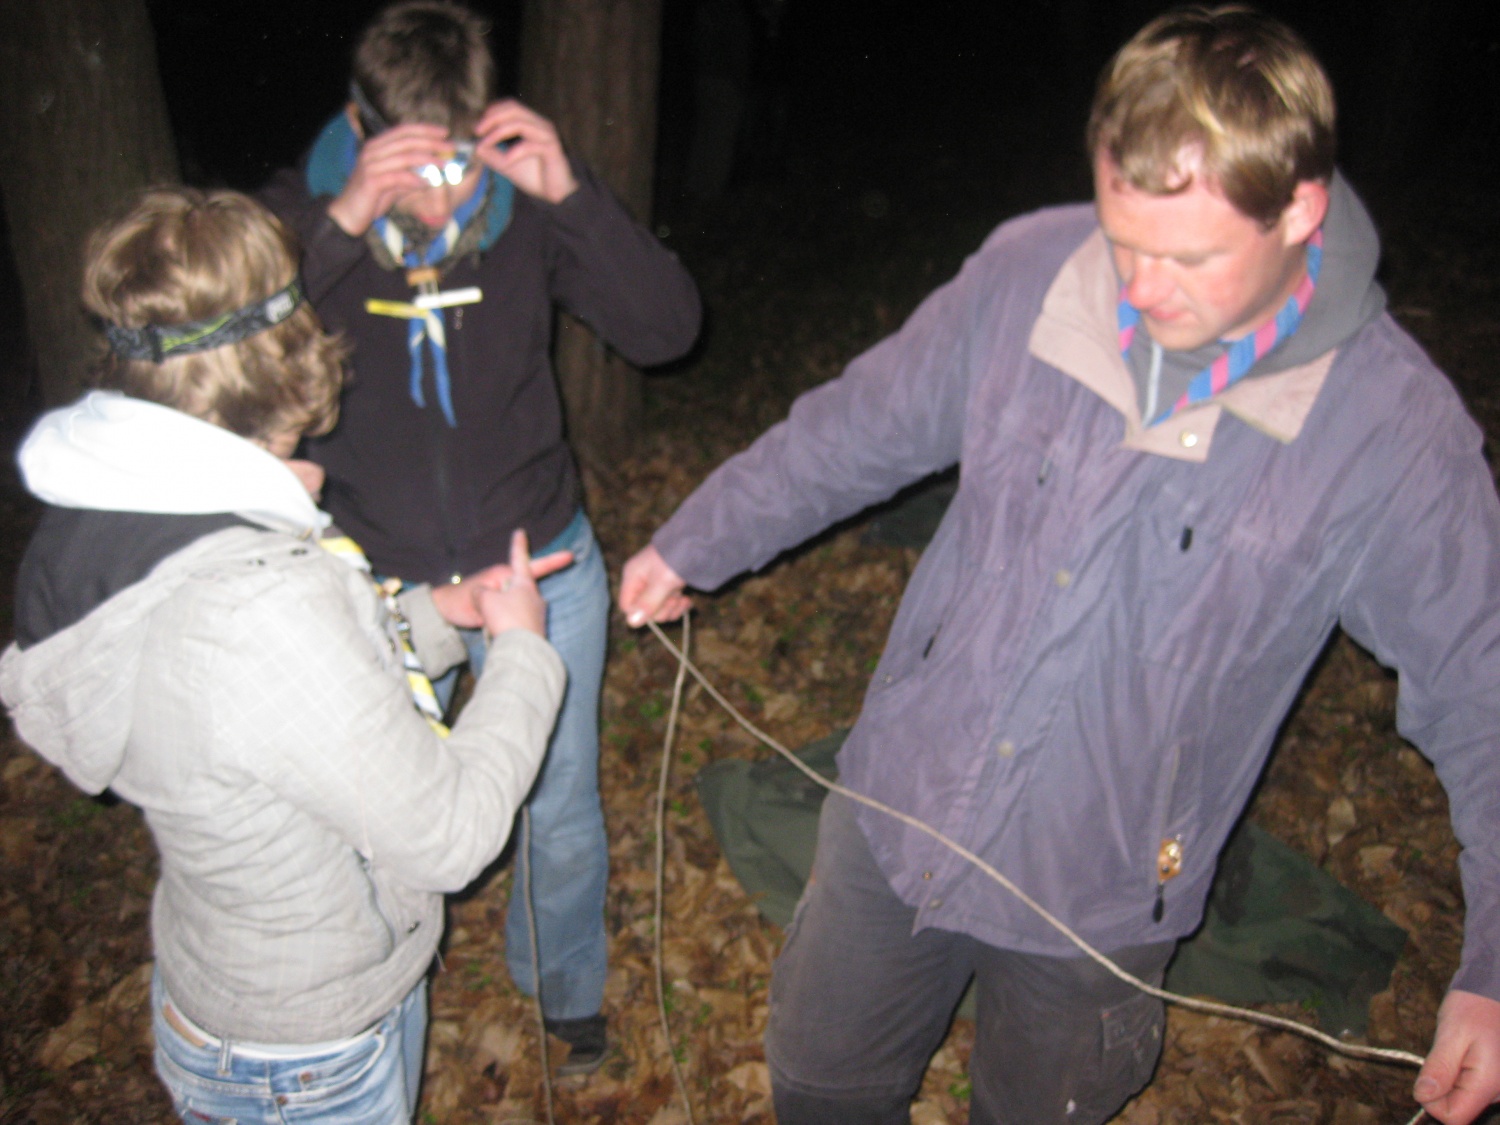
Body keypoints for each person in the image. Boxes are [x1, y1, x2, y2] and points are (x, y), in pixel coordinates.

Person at [618, 7, 1500, 1124]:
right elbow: (857, 428)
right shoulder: (1031, 271)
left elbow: (1483, 688)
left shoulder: (1392, 433)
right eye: (1122, 238)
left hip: (1097, 896)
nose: (1140, 287)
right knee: (821, 1084)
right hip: (901, 805)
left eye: (1189, 257)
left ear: (1300, 212)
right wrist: (699, 537)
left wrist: (1493, 970)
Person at [0, 187, 570, 1124]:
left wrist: (434, 614)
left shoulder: (131, 510)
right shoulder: (256, 599)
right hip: (306, 1061)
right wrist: (521, 648)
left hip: (236, 992)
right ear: (290, 354)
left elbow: (262, 711)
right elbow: (450, 832)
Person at [259, 0, 701, 1070]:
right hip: (373, 585)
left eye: (456, 163)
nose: (442, 195)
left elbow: (667, 330)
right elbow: (229, 358)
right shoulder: (294, 217)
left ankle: (564, 989)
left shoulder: (528, 206)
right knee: (370, 815)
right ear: (361, 131)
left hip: (535, 564)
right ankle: (374, 1010)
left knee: (558, 800)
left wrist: (574, 194)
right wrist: (342, 223)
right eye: (410, 166)